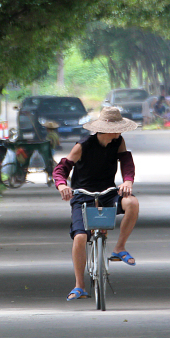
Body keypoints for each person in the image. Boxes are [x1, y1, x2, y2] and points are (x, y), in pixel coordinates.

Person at [52, 106, 139, 301]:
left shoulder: (118, 142)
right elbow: (61, 169)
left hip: (108, 193)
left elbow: (126, 163)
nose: (120, 132)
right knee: (81, 238)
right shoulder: (83, 146)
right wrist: (61, 186)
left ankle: (119, 249)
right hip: (83, 195)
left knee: (132, 203)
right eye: (117, 128)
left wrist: (127, 181)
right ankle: (79, 286)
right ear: (106, 127)